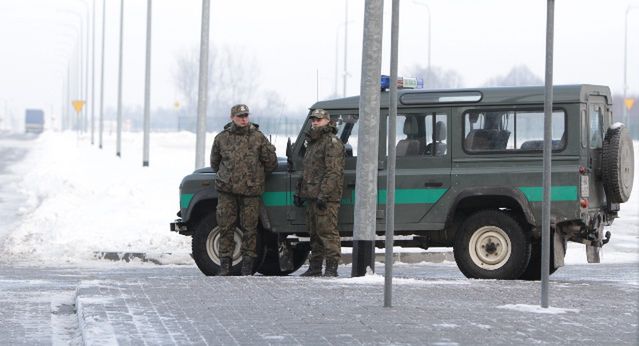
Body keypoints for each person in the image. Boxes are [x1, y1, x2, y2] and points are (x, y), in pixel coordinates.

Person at [210, 104, 277, 276]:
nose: (244, 119)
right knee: (226, 227)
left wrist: (256, 176)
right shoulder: (221, 138)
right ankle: (225, 265)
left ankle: (247, 266)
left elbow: (271, 162)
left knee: (250, 229)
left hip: (250, 191)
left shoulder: (258, 138)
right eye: (240, 116)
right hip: (227, 191)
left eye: (246, 115)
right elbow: (215, 164)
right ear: (232, 117)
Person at [296, 109, 345, 277]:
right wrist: (300, 192)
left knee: (327, 232)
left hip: (326, 197)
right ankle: (315, 266)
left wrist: (324, 194)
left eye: (319, 119)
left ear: (327, 121)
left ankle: (332, 268)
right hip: (311, 195)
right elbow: (308, 169)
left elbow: (333, 172)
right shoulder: (313, 142)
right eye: (313, 119)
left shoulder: (331, 142)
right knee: (314, 233)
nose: (315, 122)